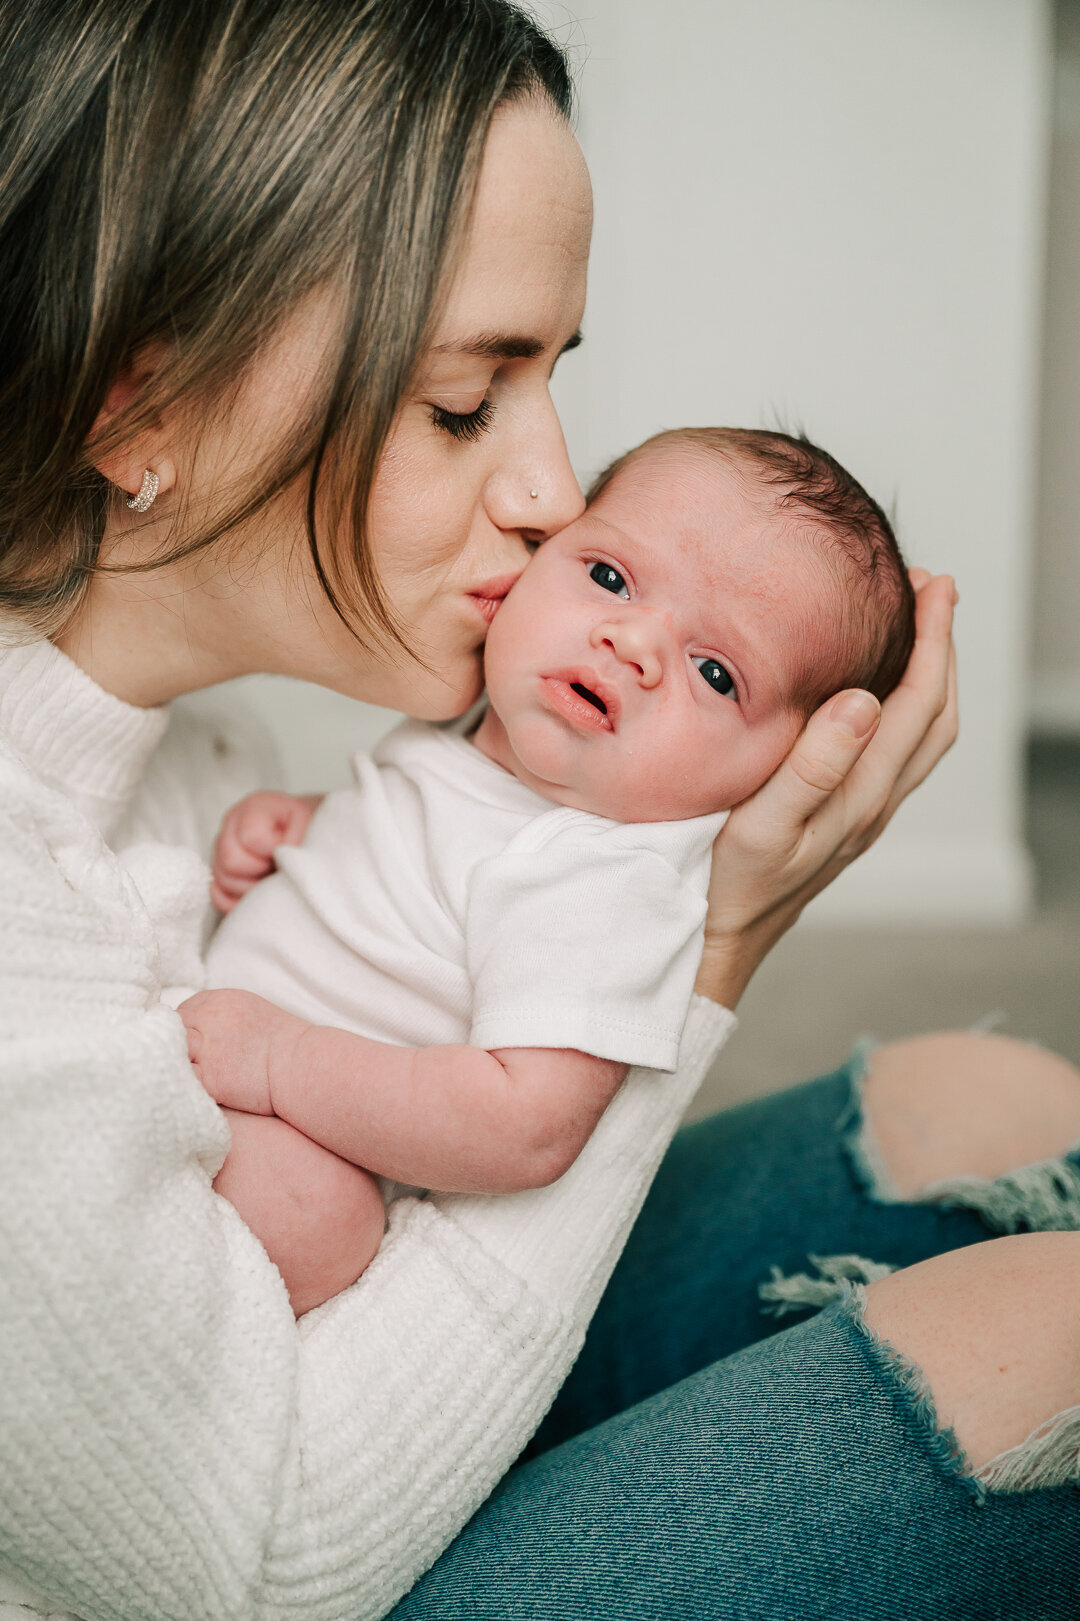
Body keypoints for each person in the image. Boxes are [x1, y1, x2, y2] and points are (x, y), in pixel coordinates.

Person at [0, 3, 1077, 1618]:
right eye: (460, 403)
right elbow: (273, 1566)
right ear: (137, 412)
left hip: (338, 1297)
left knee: (984, 1108)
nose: (555, 492)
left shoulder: (201, 751)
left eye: (550, 380)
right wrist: (710, 950)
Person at [183, 425, 916, 1313]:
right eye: (610, 577)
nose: (634, 642)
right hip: (216, 1052)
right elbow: (433, 855)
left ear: (781, 769)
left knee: (307, 1214)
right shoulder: (475, 727)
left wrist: (280, 1061)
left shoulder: (605, 875)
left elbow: (523, 1127)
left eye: (717, 672)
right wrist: (310, 825)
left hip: (303, 1136)